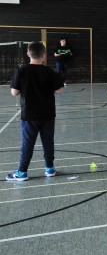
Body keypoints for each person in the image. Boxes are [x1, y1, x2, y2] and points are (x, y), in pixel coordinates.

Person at [6, 42, 64, 181]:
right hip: (48, 114)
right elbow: (60, 91)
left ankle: (22, 172)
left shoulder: (21, 71)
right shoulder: (50, 72)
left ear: (28, 54)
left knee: (27, 143)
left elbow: (14, 92)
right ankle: (49, 168)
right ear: (44, 55)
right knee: (48, 142)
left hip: (30, 115)